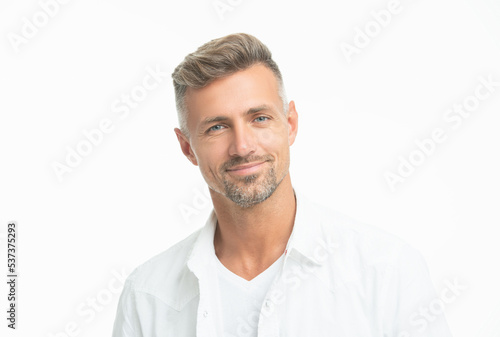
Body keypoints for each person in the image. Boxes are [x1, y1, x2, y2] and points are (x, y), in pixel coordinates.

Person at [112, 33, 453, 337]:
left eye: (259, 118)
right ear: (187, 147)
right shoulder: (147, 296)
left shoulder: (386, 270)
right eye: (217, 127)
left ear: (290, 124)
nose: (243, 146)